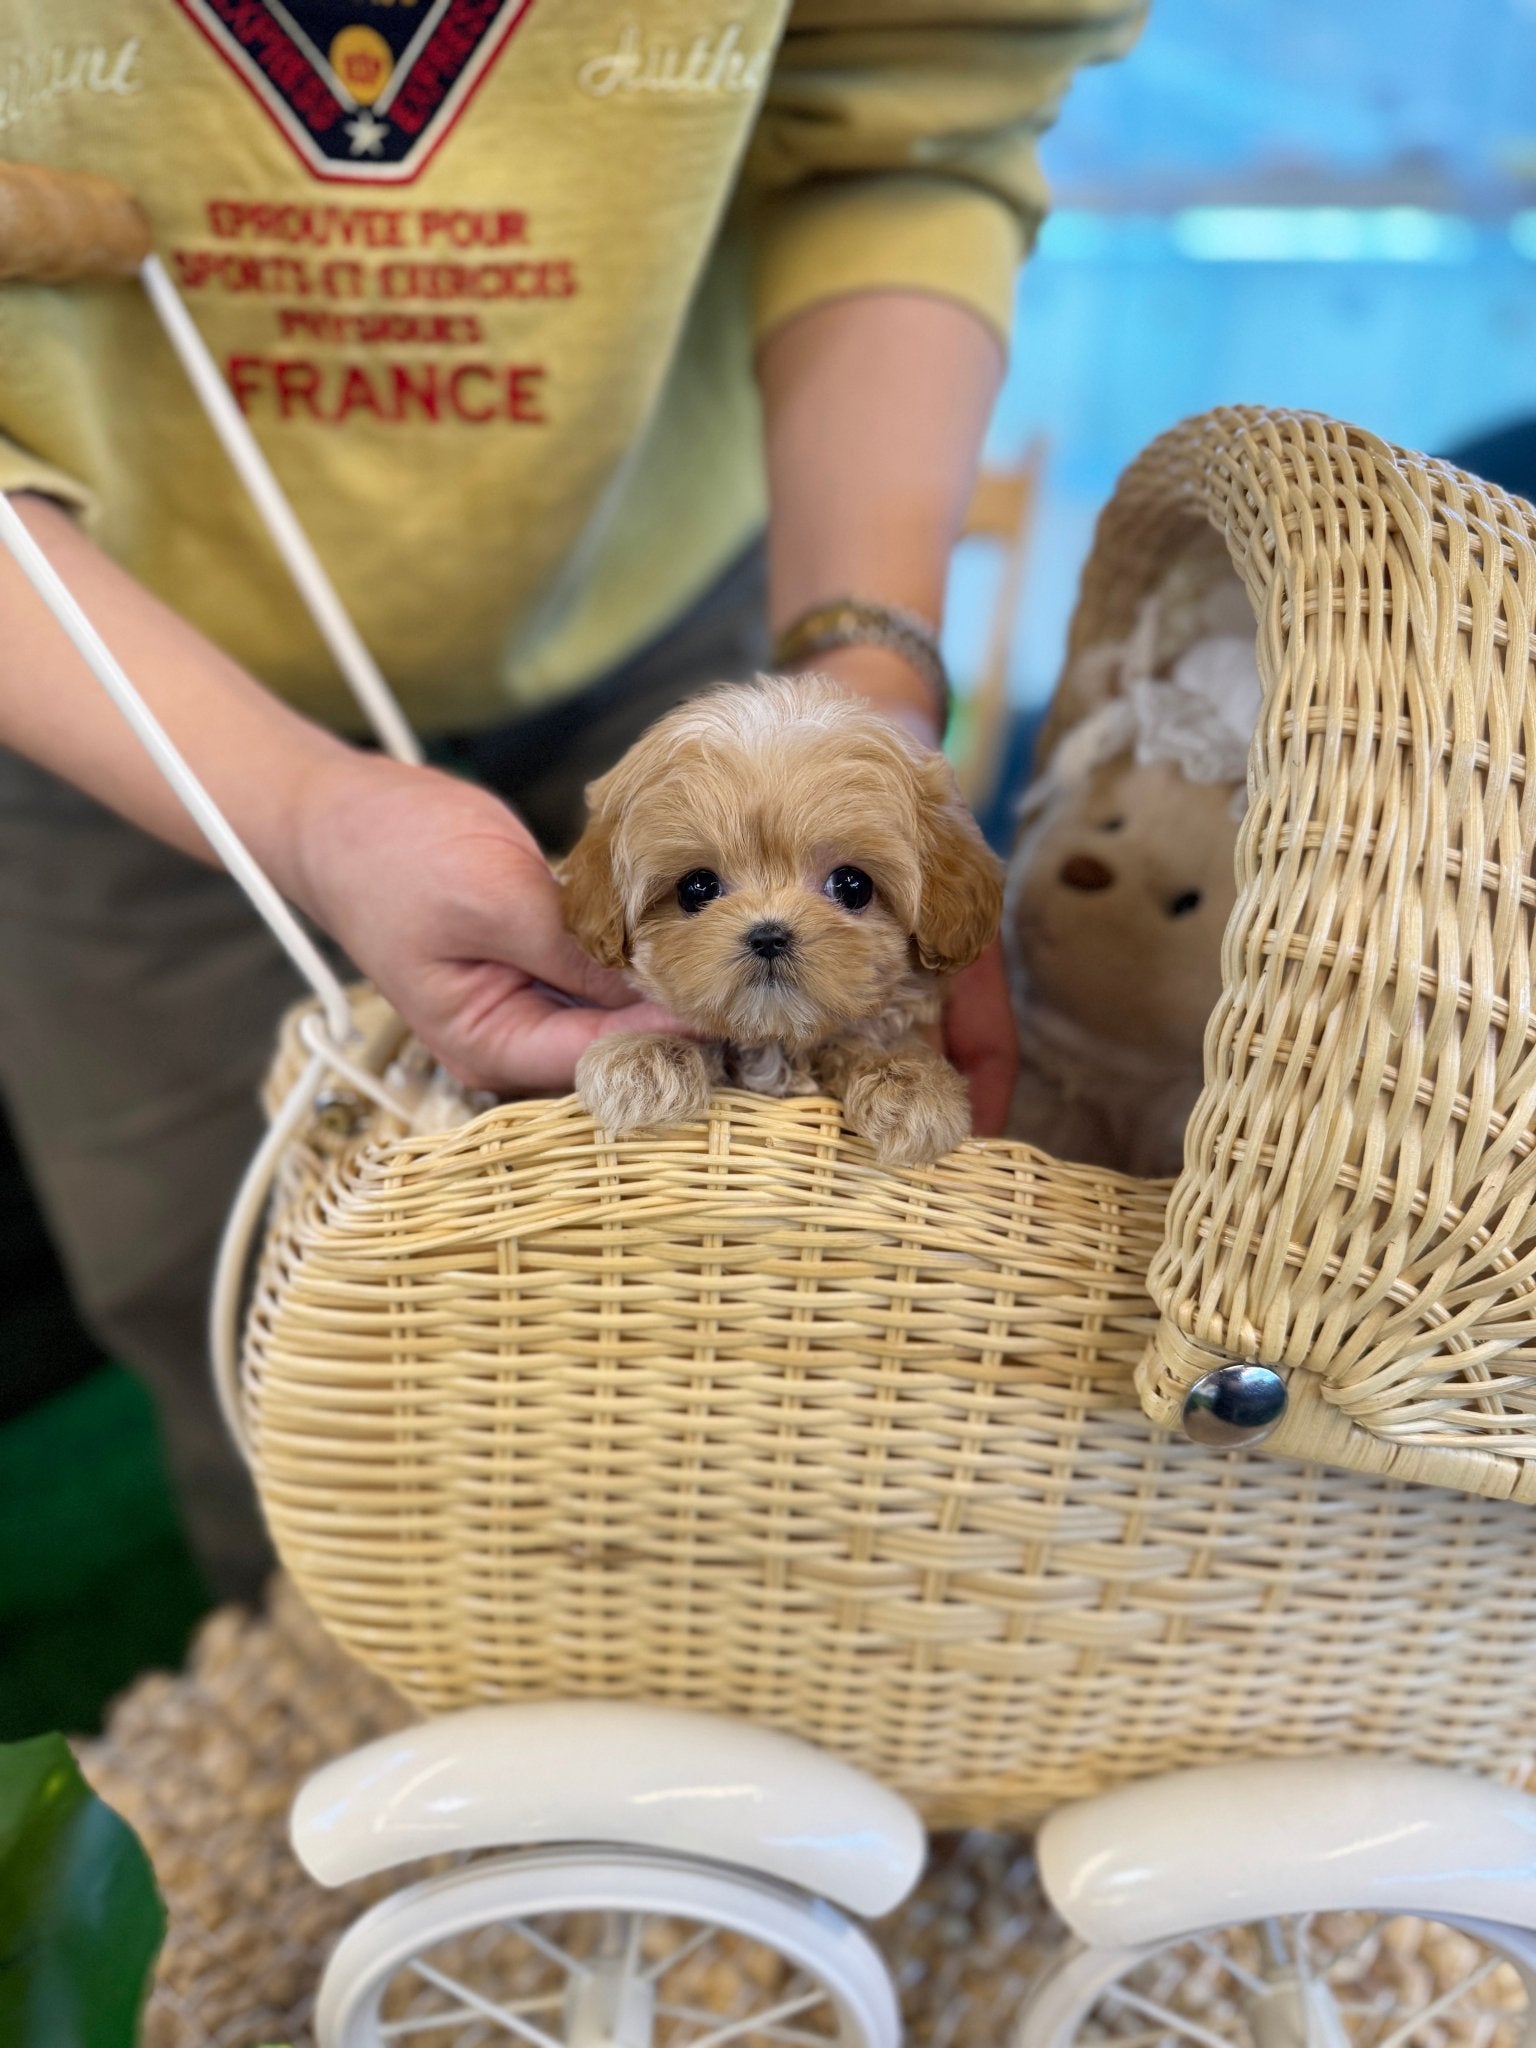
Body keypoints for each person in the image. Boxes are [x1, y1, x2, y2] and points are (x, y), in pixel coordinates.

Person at [0, 1, 1147, 1600]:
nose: (764, 928)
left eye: (847, 886)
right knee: (227, 1276)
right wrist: (306, 807)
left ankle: (746, 1608)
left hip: (671, 597)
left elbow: (913, 119)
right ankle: (342, 1647)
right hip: (78, 654)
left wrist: (863, 667)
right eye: (692, 897)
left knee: (764, 1321)